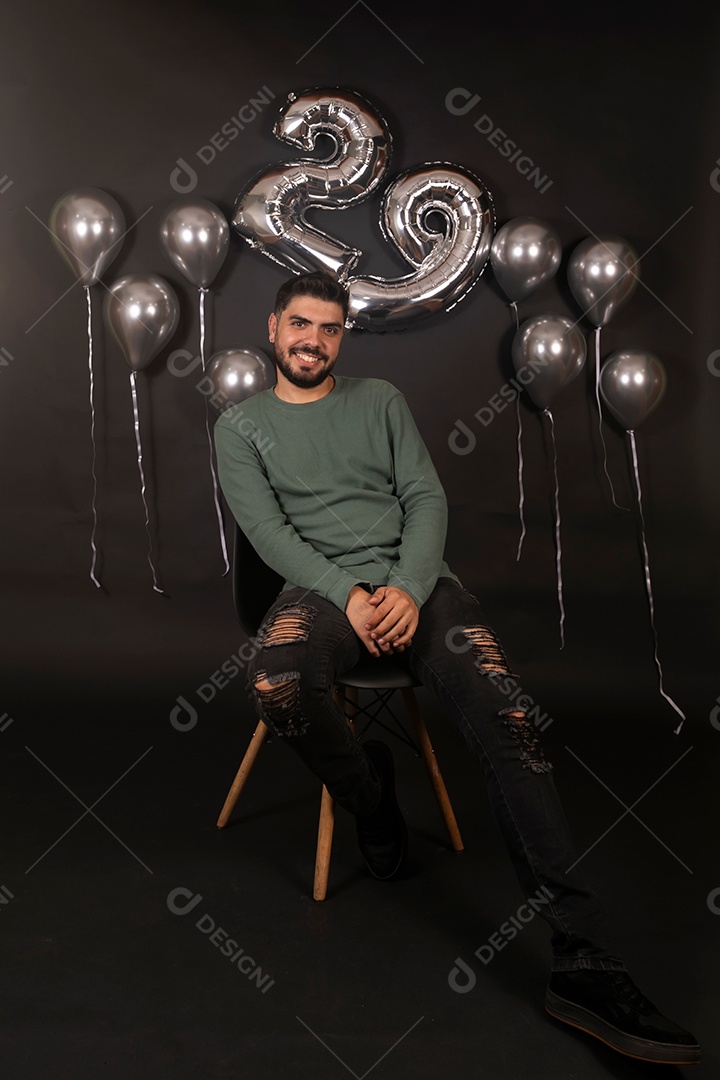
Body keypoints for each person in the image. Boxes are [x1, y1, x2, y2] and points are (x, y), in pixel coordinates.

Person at [213, 270, 700, 1066]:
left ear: (343, 335)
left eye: (329, 328)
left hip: (420, 589)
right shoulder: (241, 426)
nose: (313, 340)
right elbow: (266, 533)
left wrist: (407, 589)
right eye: (300, 324)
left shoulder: (380, 401)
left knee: (510, 719)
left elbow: (426, 498)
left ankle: (582, 958)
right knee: (278, 683)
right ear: (273, 329)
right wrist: (349, 594)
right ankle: (372, 802)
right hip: (322, 594)